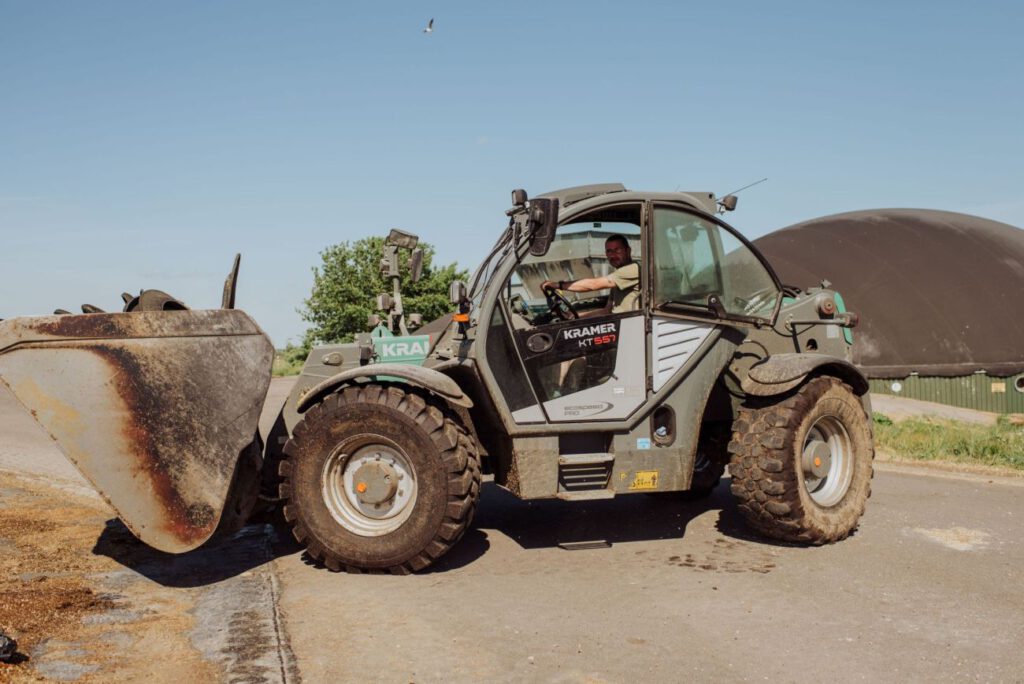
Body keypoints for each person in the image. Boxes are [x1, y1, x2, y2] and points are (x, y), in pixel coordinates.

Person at [540, 234, 640, 316]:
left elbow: (593, 284)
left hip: (629, 324)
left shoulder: (633, 269)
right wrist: (575, 316)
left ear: (628, 251)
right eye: (609, 251)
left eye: (618, 250)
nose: (613, 255)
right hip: (618, 322)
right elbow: (606, 311)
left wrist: (559, 285)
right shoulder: (618, 278)